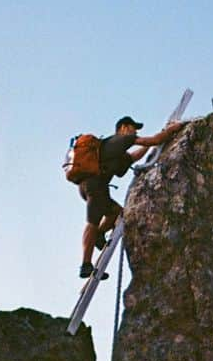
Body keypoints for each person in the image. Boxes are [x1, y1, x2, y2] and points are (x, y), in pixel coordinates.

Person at [79, 116, 184, 278]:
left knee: (116, 213)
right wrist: (171, 130)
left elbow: (135, 156)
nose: (134, 131)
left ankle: (100, 234)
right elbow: (154, 140)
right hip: (94, 186)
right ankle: (86, 264)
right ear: (123, 127)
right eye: (132, 127)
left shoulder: (114, 151)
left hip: (95, 187)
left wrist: (155, 143)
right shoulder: (120, 140)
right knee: (92, 222)